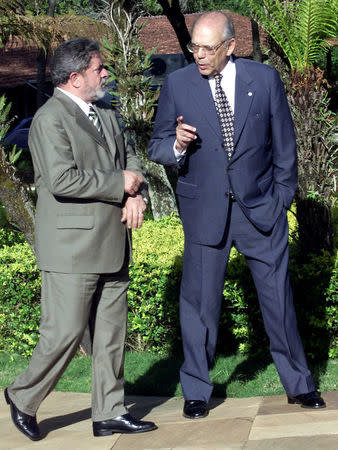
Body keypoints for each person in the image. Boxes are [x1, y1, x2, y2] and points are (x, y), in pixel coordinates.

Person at [148, 11, 325, 419]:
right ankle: (197, 390)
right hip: (204, 213)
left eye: (208, 48)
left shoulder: (263, 80)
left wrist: (281, 198)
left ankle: (299, 384)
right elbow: (157, 146)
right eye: (194, 46)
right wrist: (175, 143)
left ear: (231, 46)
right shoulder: (178, 83)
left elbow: (284, 145)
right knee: (199, 306)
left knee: (278, 301)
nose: (198, 55)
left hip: (261, 210)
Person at [4, 37, 157, 441]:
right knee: (65, 335)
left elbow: (131, 158)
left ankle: (109, 412)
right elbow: (61, 179)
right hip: (72, 250)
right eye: (98, 68)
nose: (105, 73)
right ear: (74, 77)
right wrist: (118, 183)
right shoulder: (49, 119)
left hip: (114, 242)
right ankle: (22, 397)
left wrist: (136, 195)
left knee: (111, 336)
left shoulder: (107, 112)